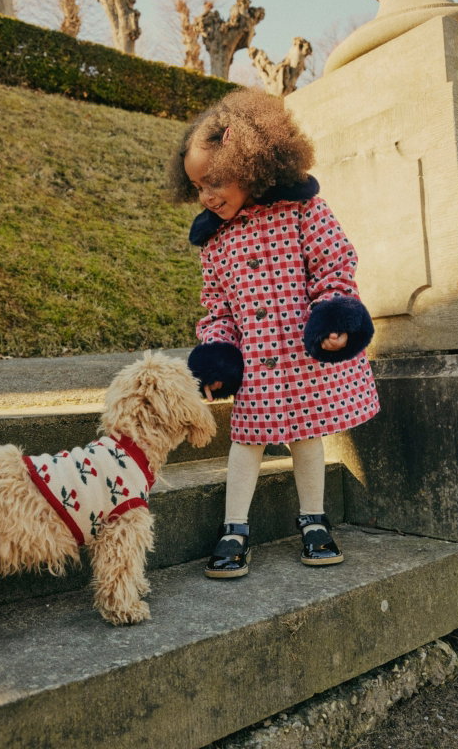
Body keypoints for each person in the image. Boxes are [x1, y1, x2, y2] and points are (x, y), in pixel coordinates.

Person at [167, 88, 380, 579]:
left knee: (307, 436)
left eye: (215, 181)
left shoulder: (303, 211)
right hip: (256, 362)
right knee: (247, 440)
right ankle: (234, 529)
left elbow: (334, 267)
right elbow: (217, 307)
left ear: (250, 165)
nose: (206, 196)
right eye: (197, 186)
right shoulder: (215, 241)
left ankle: (314, 521)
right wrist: (218, 353)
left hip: (303, 357)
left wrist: (333, 320)